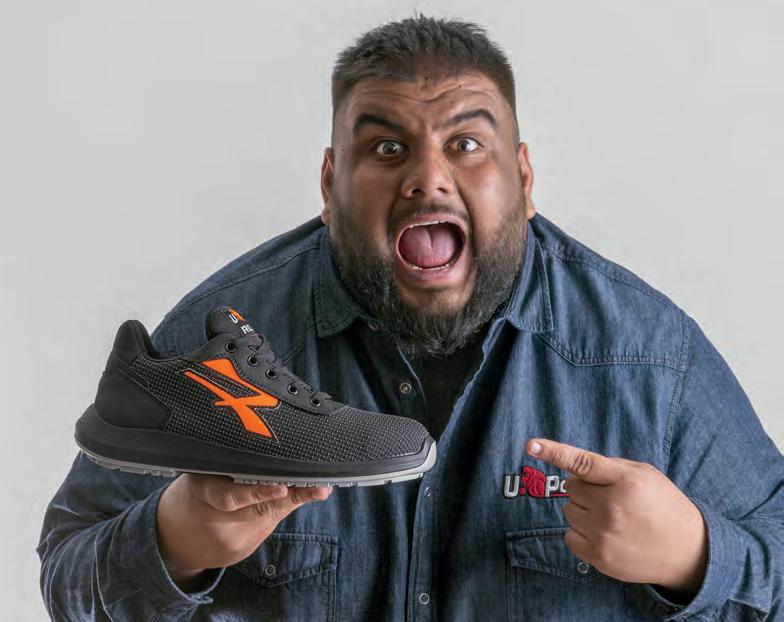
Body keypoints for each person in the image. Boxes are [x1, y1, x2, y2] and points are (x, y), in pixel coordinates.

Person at [37, 14, 782, 621]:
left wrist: (695, 556)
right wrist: (175, 540)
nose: (428, 178)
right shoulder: (219, 343)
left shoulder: (647, 358)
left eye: (466, 144)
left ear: (523, 178)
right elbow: (66, 573)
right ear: (330, 184)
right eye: (387, 147)